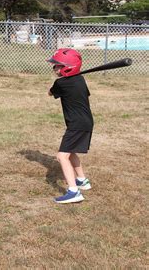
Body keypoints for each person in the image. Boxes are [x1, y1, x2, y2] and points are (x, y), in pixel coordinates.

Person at [47, 48, 93, 204]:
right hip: (85, 121)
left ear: (68, 67)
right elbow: (85, 94)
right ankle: (82, 180)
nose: (54, 68)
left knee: (62, 156)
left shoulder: (60, 83)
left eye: (57, 66)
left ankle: (73, 191)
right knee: (71, 151)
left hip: (76, 124)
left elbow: (51, 93)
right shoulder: (80, 79)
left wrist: (51, 90)